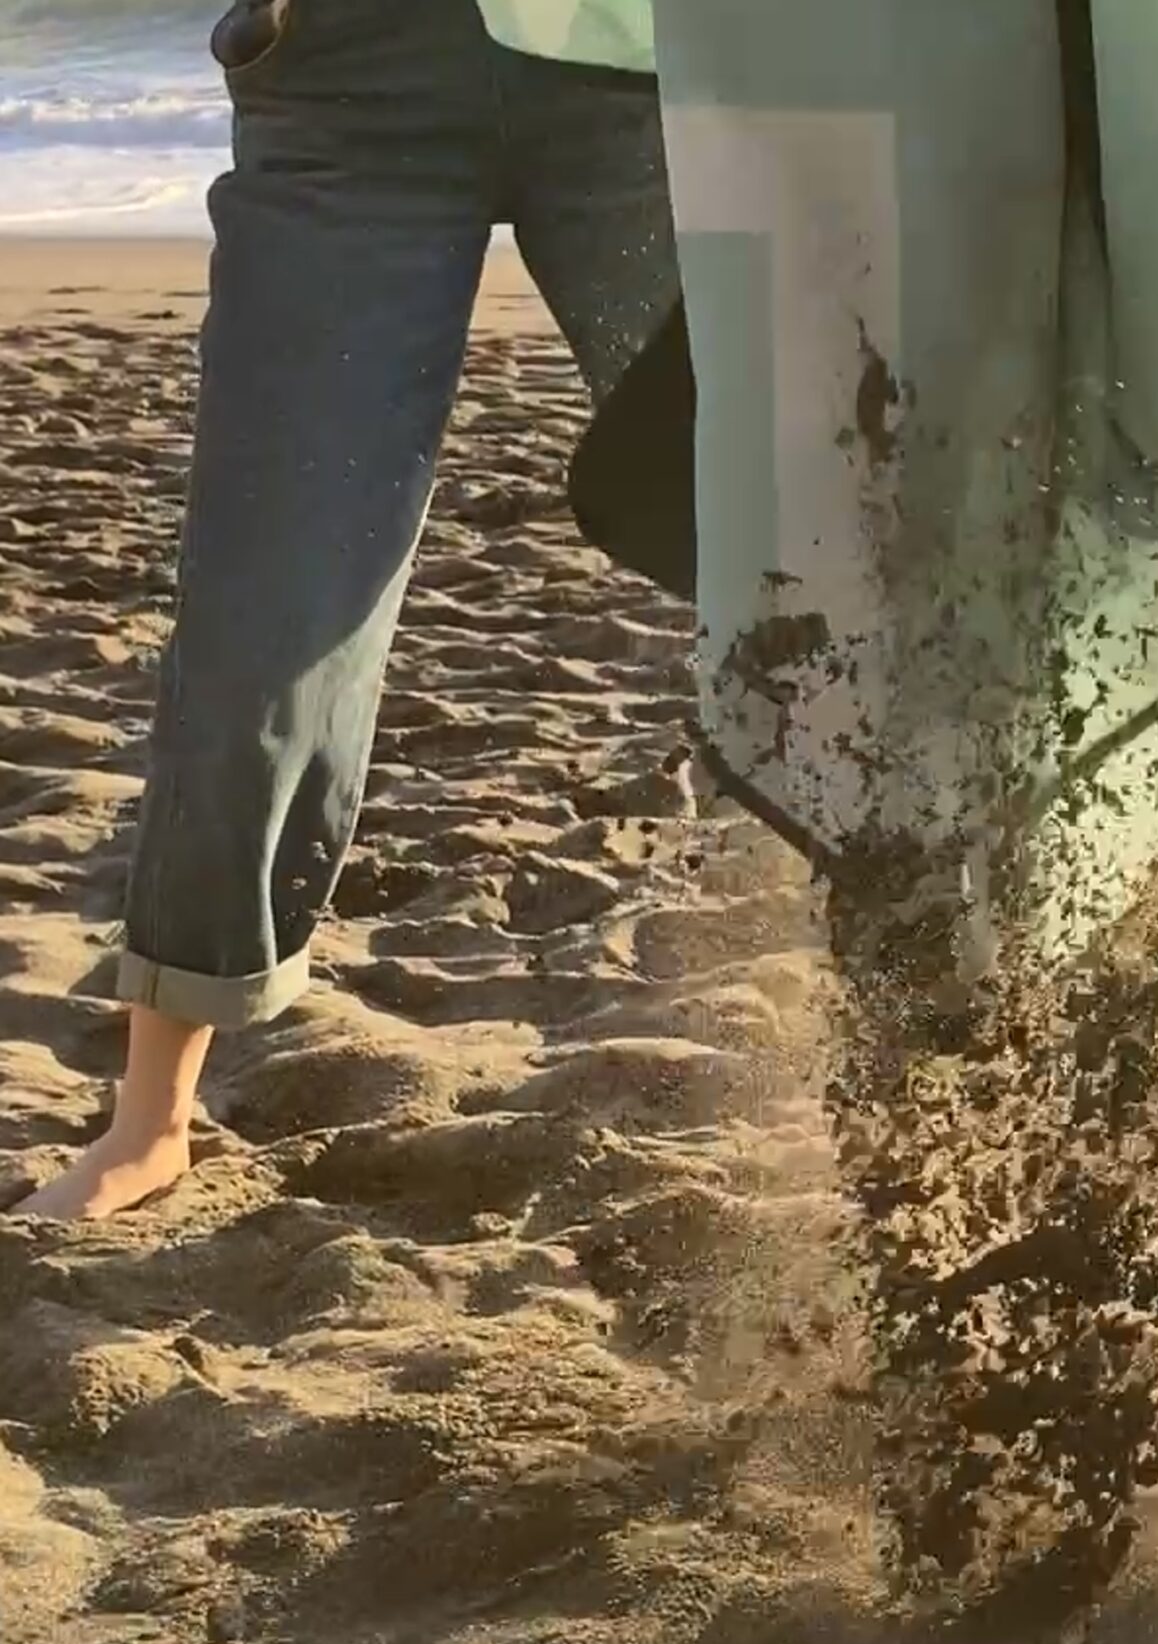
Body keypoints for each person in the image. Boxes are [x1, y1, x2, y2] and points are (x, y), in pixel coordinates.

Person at [12, 0, 675, 1219]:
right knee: (266, 616)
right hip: (356, 63)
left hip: (663, 66)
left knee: (811, 541)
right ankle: (148, 1124)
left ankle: (956, 1026)